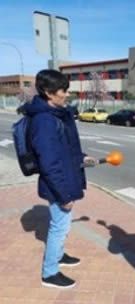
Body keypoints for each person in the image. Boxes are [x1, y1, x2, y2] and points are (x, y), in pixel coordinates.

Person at [25, 69, 97, 289]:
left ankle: (59, 255)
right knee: (59, 226)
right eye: (63, 90)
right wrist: (63, 195)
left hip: (64, 179)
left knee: (62, 224)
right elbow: (49, 163)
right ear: (48, 92)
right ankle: (50, 272)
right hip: (58, 184)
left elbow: (65, 149)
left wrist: (83, 158)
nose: (67, 94)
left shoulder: (56, 114)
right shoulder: (44, 121)